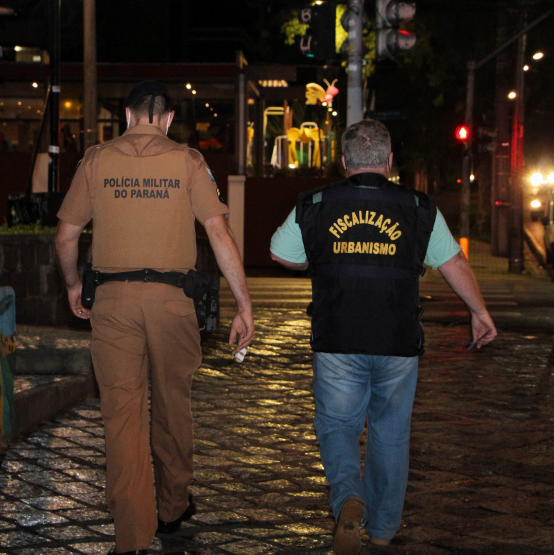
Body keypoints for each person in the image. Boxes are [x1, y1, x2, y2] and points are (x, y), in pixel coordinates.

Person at [269, 119, 496, 555]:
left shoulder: (315, 203)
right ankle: (384, 529)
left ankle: (349, 501)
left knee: (337, 426)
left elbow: (280, 252)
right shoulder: (418, 206)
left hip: (336, 336)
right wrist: (479, 312)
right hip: (397, 339)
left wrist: (318, 259)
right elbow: (454, 264)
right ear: (390, 162)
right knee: (390, 432)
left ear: (344, 162)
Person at [54, 81, 254, 555]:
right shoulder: (188, 162)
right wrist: (244, 303)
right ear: (166, 119)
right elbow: (218, 232)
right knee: (172, 405)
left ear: (126, 116)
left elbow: (65, 237)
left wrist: (72, 285)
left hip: (114, 304)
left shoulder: (97, 160)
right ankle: (172, 505)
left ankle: (131, 535)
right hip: (172, 304)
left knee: (121, 416)